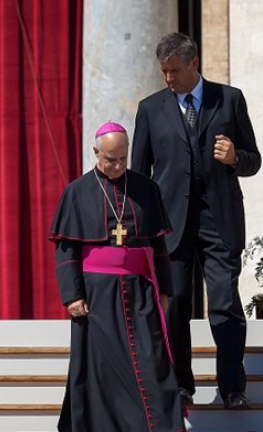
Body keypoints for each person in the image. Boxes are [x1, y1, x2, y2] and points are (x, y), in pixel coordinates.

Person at [132, 33, 261, 411]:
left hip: (220, 221)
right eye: (164, 72)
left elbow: (254, 160)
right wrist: (141, 230)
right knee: (175, 308)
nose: (169, 78)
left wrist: (235, 157)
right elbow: (139, 175)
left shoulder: (230, 99)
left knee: (224, 304)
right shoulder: (150, 108)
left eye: (174, 70)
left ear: (194, 63)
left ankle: (233, 388)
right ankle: (180, 386)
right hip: (170, 225)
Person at [50, 122, 186, 432]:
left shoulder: (146, 188)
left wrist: (165, 289)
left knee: (151, 362)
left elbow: (158, 245)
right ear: (95, 153)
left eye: (123, 158)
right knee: (100, 370)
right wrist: (72, 295)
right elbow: (66, 250)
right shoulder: (76, 192)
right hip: (96, 296)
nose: (118, 165)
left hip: (140, 291)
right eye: (111, 159)